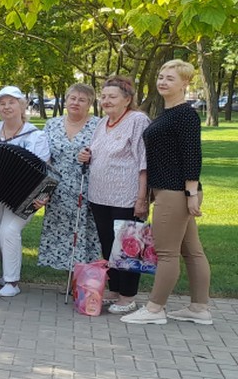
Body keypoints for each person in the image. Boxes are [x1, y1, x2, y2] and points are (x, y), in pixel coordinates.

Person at [122, 60, 211, 325]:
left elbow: (192, 155)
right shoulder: (168, 113)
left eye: (170, 78)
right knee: (192, 251)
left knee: (166, 252)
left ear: (185, 83)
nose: (162, 81)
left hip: (176, 192)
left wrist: (191, 193)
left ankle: (154, 309)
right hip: (169, 191)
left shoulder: (185, 115)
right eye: (161, 77)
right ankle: (199, 309)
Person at [78, 76, 149, 314]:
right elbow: (97, 151)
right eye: (104, 96)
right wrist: (86, 156)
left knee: (128, 247)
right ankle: (116, 288)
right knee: (109, 246)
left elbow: (144, 161)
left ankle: (128, 296)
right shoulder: (102, 123)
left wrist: (141, 198)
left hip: (126, 197)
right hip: (99, 196)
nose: (106, 101)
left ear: (127, 99)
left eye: (112, 97)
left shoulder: (137, 120)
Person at [0, 86, 50, 298]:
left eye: (11, 102)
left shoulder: (36, 136)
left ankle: (12, 281)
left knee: (8, 232)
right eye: (2, 103)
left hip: (24, 195)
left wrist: (43, 196)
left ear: (22, 105)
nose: (6, 107)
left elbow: (46, 170)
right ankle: (9, 269)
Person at [37, 84, 102, 272]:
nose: (76, 103)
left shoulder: (99, 125)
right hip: (58, 189)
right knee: (62, 233)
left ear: (89, 103)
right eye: (72, 98)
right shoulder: (52, 124)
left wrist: (91, 156)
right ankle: (70, 277)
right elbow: (45, 158)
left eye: (82, 100)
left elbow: (107, 154)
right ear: (65, 100)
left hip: (87, 188)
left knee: (85, 234)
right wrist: (44, 188)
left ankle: (83, 279)